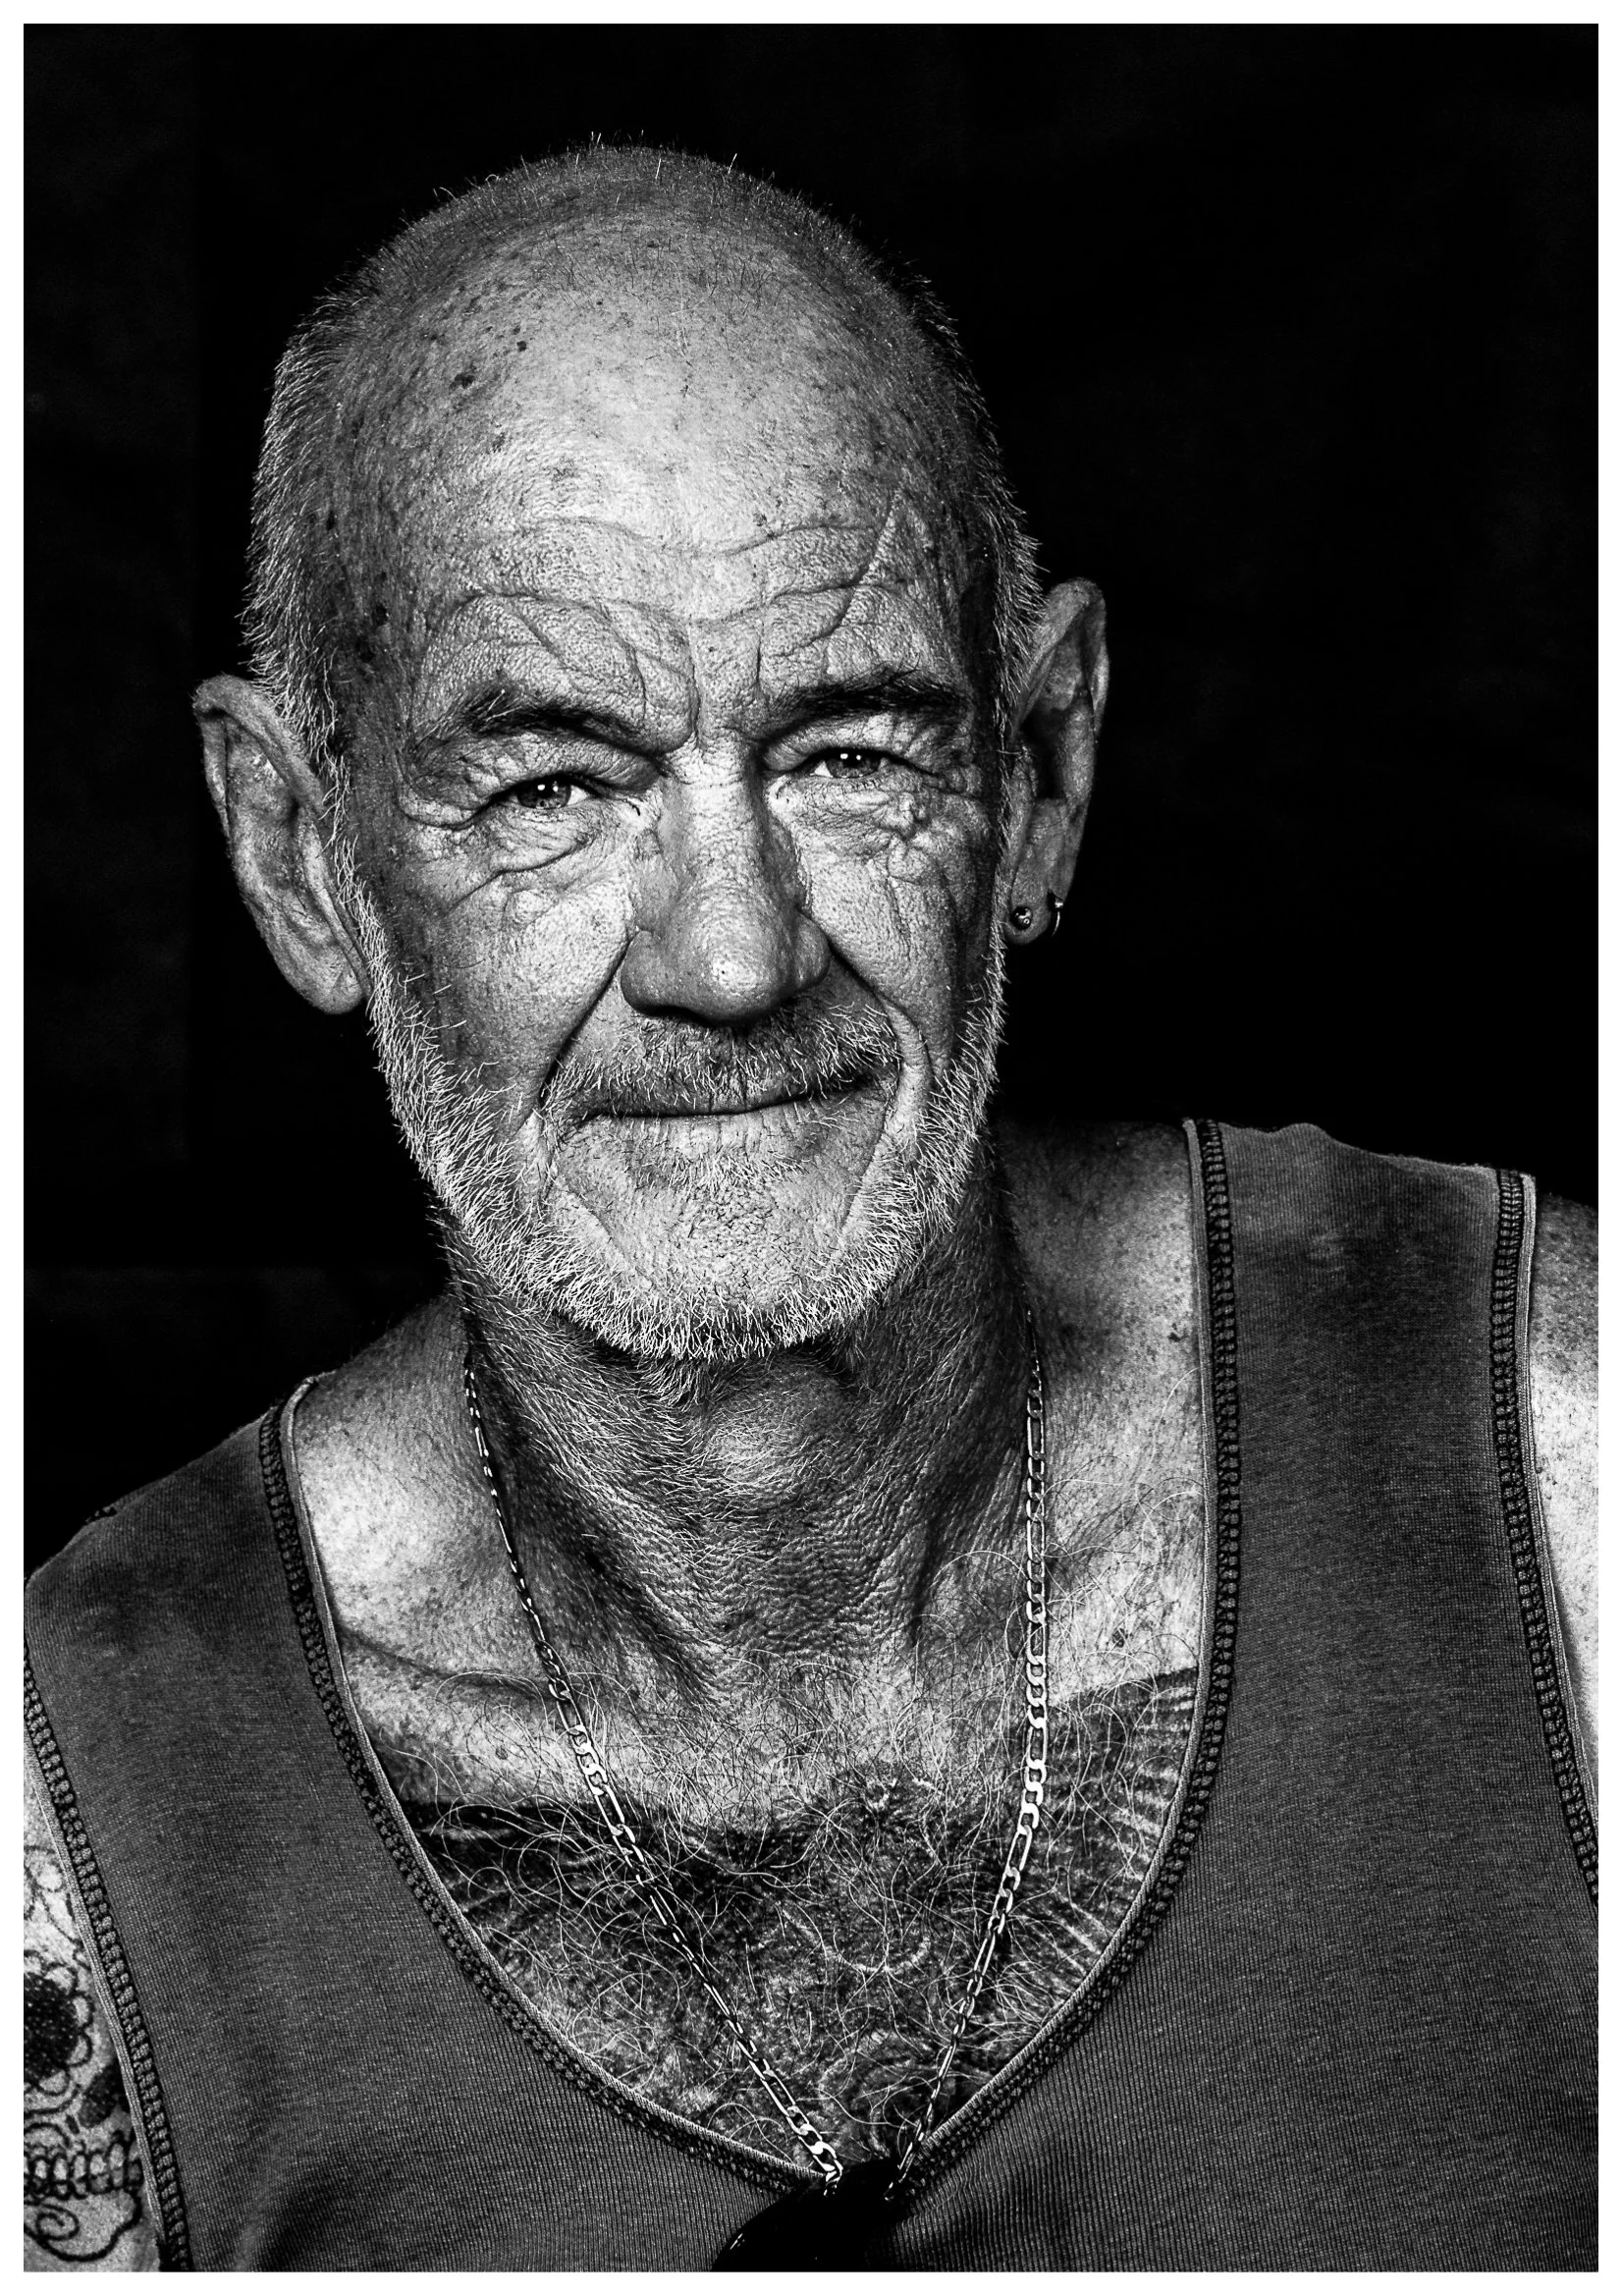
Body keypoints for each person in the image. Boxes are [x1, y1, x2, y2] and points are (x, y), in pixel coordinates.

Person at [24, 146, 1595, 2272]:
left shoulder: (1549, 1454)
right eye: (552, 785)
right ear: (303, 857)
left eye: (850, 751)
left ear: (1036, 766)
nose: (735, 955)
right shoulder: (78, 1814)